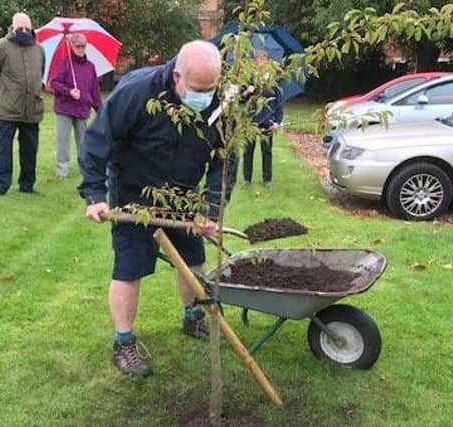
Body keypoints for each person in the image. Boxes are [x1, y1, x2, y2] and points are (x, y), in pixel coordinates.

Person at [78, 40, 229, 377]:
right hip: (135, 194)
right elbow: (98, 140)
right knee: (129, 267)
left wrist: (211, 207)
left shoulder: (217, 102)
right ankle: (124, 342)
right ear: (177, 76)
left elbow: (223, 158)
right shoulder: (137, 91)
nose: (205, 96)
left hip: (185, 197)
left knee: (193, 261)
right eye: (198, 89)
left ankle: (192, 317)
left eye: (211, 88)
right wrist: (94, 194)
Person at [0, 12, 45, 196]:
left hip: (32, 109)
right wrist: (1, 95)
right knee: (3, 150)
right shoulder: (1, 46)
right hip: (8, 109)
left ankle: (27, 185)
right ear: (12, 27)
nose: (24, 31)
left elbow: (39, 74)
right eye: (20, 28)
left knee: (30, 150)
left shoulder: (39, 49)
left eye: (27, 28)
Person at [49, 33, 102, 179]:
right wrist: (69, 91)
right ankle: (62, 171)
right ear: (72, 46)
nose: (80, 48)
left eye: (83, 45)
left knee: (84, 142)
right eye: (78, 45)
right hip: (64, 109)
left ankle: (85, 169)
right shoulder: (65, 63)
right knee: (63, 141)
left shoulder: (90, 67)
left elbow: (95, 91)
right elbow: (54, 83)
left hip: (82, 109)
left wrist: (101, 111)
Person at [242, 49, 283, 188]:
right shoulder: (248, 77)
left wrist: (277, 121)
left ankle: (267, 179)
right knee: (248, 150)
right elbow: (240, 98)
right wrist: (247, 91)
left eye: (264, 57)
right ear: (255, 60)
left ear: (268, 60)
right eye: (258, 57)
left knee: (266, 150)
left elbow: (279, 101)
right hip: (251, 120)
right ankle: (247, 179)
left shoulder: (274, 79)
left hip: (267, 120)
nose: (261, 60)